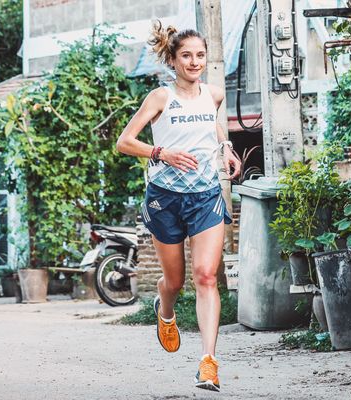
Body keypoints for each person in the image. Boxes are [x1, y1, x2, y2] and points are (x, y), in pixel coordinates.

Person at [116, 21, 241, 392]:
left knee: (205, 276)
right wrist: (161, 152)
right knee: (174, 281)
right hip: (164, 198)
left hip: (205, 196)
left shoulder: (214, 95)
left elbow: (212, 127)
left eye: (200, 55)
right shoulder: (159, 98)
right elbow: (125, 142)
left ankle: (209, 364)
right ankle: (165, 309)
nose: (194, 61)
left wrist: (226, 148)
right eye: (186, 55)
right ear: (172, 59)